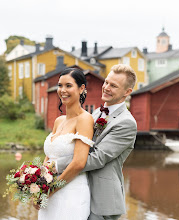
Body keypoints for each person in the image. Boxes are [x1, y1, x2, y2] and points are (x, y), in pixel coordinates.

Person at [56, 64, 137, 220]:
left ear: (127, 92)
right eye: (106, 82)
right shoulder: (96, 113)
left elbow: (98, 158)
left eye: (113, 85)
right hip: (79, 190)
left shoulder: (126, 123)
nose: (106, 87)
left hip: (102, 200)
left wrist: (56, 165)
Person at [38, 68, 94, 220]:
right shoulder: (59, 120)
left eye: (68, 86)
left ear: (81, 88)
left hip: (71, 193)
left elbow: (79, 163)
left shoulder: (85, 119)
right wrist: (39, 185)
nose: (62, 90)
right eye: (60, 85)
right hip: (49, 193)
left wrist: (51, 190)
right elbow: (49, 157)